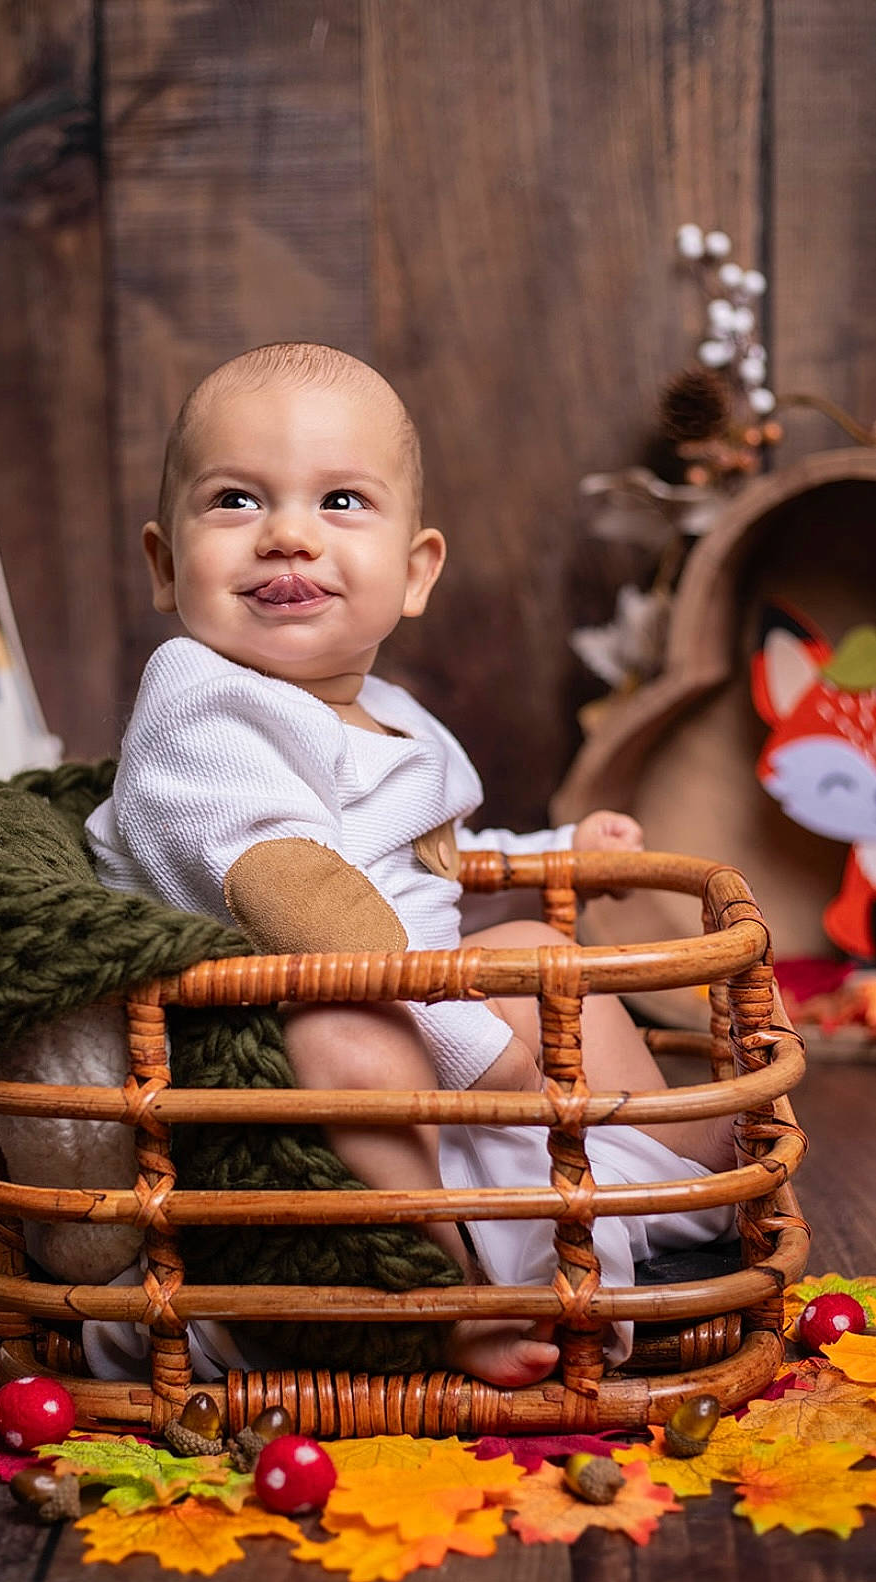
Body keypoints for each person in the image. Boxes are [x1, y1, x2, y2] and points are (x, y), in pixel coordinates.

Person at [86, 342, 734, 1387]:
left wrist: (547, 856)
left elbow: (421, 864)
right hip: (231, 1040)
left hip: (390, 985)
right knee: (357, 1033)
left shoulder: (379, 712)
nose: (287, 533)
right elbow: (300, 897)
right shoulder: (200, 704)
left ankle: (664, 1159)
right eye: (236, 500)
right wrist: (468, 1041)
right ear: (166, 565)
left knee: (530, 945)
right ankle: (444, 1290)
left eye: (339, 499)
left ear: (415, 569)